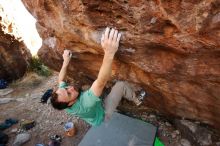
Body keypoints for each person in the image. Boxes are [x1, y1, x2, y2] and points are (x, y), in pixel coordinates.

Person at [51, 27, 145, 126]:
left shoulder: (62, 100)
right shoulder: (85, 104)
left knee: (88, 89)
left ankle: (105, 99)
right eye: (69, 93)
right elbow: (100, 83)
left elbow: (60, 80)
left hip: (93, 111)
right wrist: (109, 52)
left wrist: (65, 62)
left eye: (66, 88)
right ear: (70, 103)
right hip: (103, 114)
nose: (70, 88)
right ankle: (137, 100)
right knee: (121, 85)